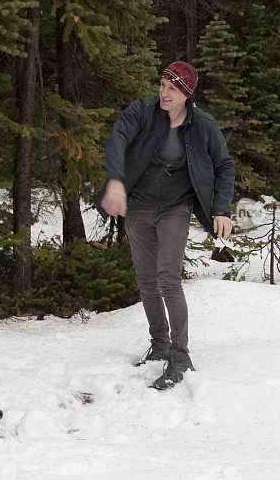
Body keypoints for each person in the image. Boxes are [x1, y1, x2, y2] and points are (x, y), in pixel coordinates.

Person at [95, 61, 235, 390]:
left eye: (172, 88)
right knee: (146, 279)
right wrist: (115, 180)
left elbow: (224, 165)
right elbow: (117, 138)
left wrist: (222, 209)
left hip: (176, 206)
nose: (164, 92)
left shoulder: (202, 125)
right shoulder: (143, 110)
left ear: (187, 93)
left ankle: (180, 352)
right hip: (139, 205)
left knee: (168, 278)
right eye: (162, 85)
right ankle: (159, 343)